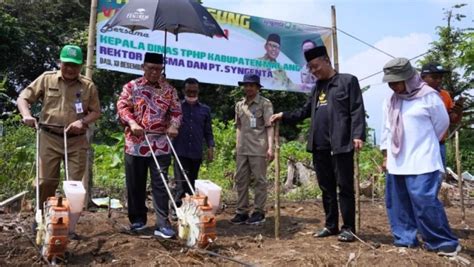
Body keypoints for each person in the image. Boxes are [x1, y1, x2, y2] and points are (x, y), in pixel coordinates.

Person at [270, 45, 366, 242]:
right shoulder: (317, 88)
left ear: (326, 61)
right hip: (319, 145)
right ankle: (331, 226)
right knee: (326, 188)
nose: (313, 71)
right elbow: (304, 111)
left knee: (345, 187)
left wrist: (358, 135)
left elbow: (357, 109)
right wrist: (283, 115)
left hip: (341, 145)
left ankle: (348, 228)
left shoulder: (348, 81)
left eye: (315, 66)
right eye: (310, 69)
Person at [380, 58, 460, 256]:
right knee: (398, 202)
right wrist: (386, 155)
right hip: (397, 160)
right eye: (391, 82)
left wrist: (422, 142)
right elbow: (386, 130)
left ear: (409, 78)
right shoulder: (390, 100)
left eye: (397, 82)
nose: (394, 86)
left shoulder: (429, 97)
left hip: (423, 158)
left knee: (424, 200)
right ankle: (405, 238)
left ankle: (442, 241)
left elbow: (441, 125)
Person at [17, 45, 100, 219]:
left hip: (76, 140)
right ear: (59, 62)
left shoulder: (88, 85)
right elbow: (23, 97)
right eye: (67, 64)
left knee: (74, 185)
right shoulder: (47, 79)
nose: (70, 69)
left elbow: (95, 112)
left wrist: (82, 121)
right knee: (45, 181)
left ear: (81, 66)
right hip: (49, 137)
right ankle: (42, 218)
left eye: (75, 65)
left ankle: (69, 225)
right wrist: (27, 115)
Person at [117, 52, 182, 239]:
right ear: (143, 67)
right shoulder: (132, 87)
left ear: (162, 69)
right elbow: (122, 106)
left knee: (161, 183)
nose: (155, 72)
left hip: (160, 143)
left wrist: (173, 125)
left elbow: (177, 111)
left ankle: (163, 223)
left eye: (158, 69)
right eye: (151, 68)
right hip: (136, 143)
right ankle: (137, 219)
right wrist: (132, 123)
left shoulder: (169, 90)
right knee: (135, 183)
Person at [230, 74, 274, 225]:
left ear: (257, 87)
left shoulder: (265, 103)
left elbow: (269, 126)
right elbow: (238, 127)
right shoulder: (239, 105)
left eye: (252, 85)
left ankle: (258, 211)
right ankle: (241, 211)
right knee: (241, 179)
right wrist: (237, 146)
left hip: (258, 147)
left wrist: (270, 147)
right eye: (246, 85)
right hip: (242, 148)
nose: (248, 88)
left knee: (259, 180)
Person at [172, 78, 215, 212]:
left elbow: (208, 131)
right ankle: (177, 209)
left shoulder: (205, 110)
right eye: (189, 91)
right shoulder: (176, 107)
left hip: (196, 152)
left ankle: (189, 209)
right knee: (180, 182)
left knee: (192, 182)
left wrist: (210, 147)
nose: (191, 93)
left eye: (194, 91)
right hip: (180, 151)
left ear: (198, 91)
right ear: (183, 91)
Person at [420, 62, 463, 168]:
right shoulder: (413, 96)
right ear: (422, 77)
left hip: (439, 144)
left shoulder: (445, 95)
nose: (438, 80)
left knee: (439, 177)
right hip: (420, 145)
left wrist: (458, 110)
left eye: (440, 77)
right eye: (434, 77)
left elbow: (452, 120)